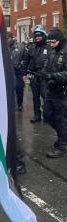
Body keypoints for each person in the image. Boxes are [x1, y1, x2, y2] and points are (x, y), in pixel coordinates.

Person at [41, 28, 67, 158]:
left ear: (60, 40)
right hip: (51, 90)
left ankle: (62, 145)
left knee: (60, 118)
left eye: (53, 42)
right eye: (50, 42)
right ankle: (64, 136)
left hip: (62, 92)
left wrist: (51, 76)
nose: (51, 45)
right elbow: (47, 66)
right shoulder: (52, 52)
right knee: (47, 115)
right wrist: (43, 73)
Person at [26, 25, 50, 122]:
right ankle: (37, 115)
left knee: (45, 96)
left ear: (44, 36)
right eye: (36, 36)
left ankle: (48, 115)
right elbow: (27, 60)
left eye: (39, 35)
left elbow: (51, 62)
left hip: (44, 77)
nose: (37, 37)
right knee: (35, 97)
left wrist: (45, 72)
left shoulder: (49, 48)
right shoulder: (32, 48)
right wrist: (25, 73)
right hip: (34, 76)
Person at [7, 32, 28, 111]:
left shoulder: (20, 46)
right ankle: (10, 105)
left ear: (12, 38)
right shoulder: (3, 47)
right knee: (9, 89)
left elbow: (26, 58)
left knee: (19, 88)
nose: (7, 40)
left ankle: (20, 104)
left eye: (8, 38)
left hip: (18, 71)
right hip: (8, 72)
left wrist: (23, 69)